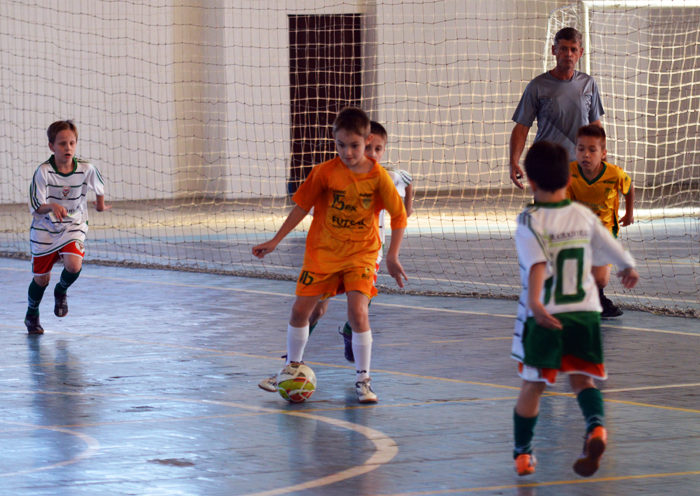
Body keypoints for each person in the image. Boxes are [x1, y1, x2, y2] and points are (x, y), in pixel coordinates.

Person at [252, 108, 408, 403]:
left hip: (360, 254)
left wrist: (392, 256)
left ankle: (364, 380)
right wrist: (275, 240)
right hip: (323, 253)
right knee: (302, 311)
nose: (347, 152)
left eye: (354, 145)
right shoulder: (324, 172)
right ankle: (289, 368)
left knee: (358, 311)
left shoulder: (379, 178)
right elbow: (301, 207)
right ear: (333, 141)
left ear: (367, 140)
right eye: (340, 145)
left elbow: (400, 217)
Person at [510, 141, 638, 477]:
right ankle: (595, 427)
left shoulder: (530, 220)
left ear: (532, 184)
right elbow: (609, 244)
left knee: (533, 385)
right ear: (569, 181)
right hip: (584, 312)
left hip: (546, 313)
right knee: (583, 380)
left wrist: (536, 303)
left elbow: (537, 264)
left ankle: (523, 455)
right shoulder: (582, 214)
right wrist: (627, 266)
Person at [25, 120, 111, 334]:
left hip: (73, 225)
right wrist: (52, 206)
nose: (68, 148)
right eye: (62, 143)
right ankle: (32, 314)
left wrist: (100, 206)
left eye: (72, 143)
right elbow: (36, 207)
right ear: (51, 146)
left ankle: (61, 291)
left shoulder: (86, 169)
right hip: (45, 230)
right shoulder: (43, 172)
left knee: (73, 265)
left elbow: (99, 185)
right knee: (41, 279)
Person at [510, 27, 605, 189]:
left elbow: (595, 125)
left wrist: (603, 160)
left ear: (580, 53)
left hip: (581, 165)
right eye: (563, 49)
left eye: (573, 49)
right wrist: (513, 162)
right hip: (547, 164)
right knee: (548, 213)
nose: (568, 54)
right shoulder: (537, 86)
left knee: (578, 212)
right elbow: (521, 127)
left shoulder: (588, 84)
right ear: (554, 50)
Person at [568, 124, 634, 318]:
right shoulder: (570, 172)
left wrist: (629, 214)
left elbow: (629, 190)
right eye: (581, 149)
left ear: (603, 153)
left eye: (592, 150)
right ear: (575, 151)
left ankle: (592, 294)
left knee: (601, 280)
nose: (585, 155)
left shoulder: (614, 174)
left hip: (605, 230)